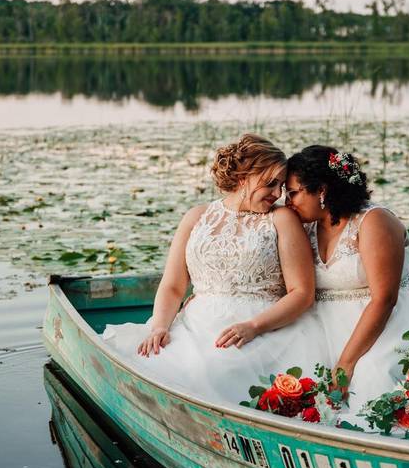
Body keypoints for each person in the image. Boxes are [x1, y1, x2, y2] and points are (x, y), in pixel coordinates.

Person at [102, 133, 325, 404]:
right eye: (270, 183)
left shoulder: (281, 219)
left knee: (214, 371)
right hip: (196, 322)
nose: (278, 194)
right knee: (152, 360)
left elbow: (301, 292)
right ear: (244, 178)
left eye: (280, 185)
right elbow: (173, 286)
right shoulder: (196, 217)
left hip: (261, 326)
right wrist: (160, 326)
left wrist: (253, 326)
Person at [284, 145, 409, 414]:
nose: (287, 202)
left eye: (293, 192)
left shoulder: (373, 221)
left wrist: (346, 363)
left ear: (322, 190)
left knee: (371, 379)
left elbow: (385, 298)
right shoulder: (305, 225)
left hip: (388, 326)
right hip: (328, 329)